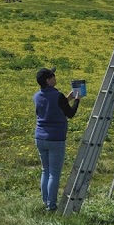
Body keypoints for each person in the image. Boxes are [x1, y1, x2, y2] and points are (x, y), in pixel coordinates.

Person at [33, 67, 80, 212]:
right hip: (56, 139)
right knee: (54, 173)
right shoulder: (58, 96)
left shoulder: (37, 96)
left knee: (45, 171)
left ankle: (45, 201)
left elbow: (52, 107)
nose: (55, 77)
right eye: (53, 75)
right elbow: (70, 113)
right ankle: (51, 206)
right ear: (48, 80)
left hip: (40, 137)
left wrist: (68, 98)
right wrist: (77, 100)